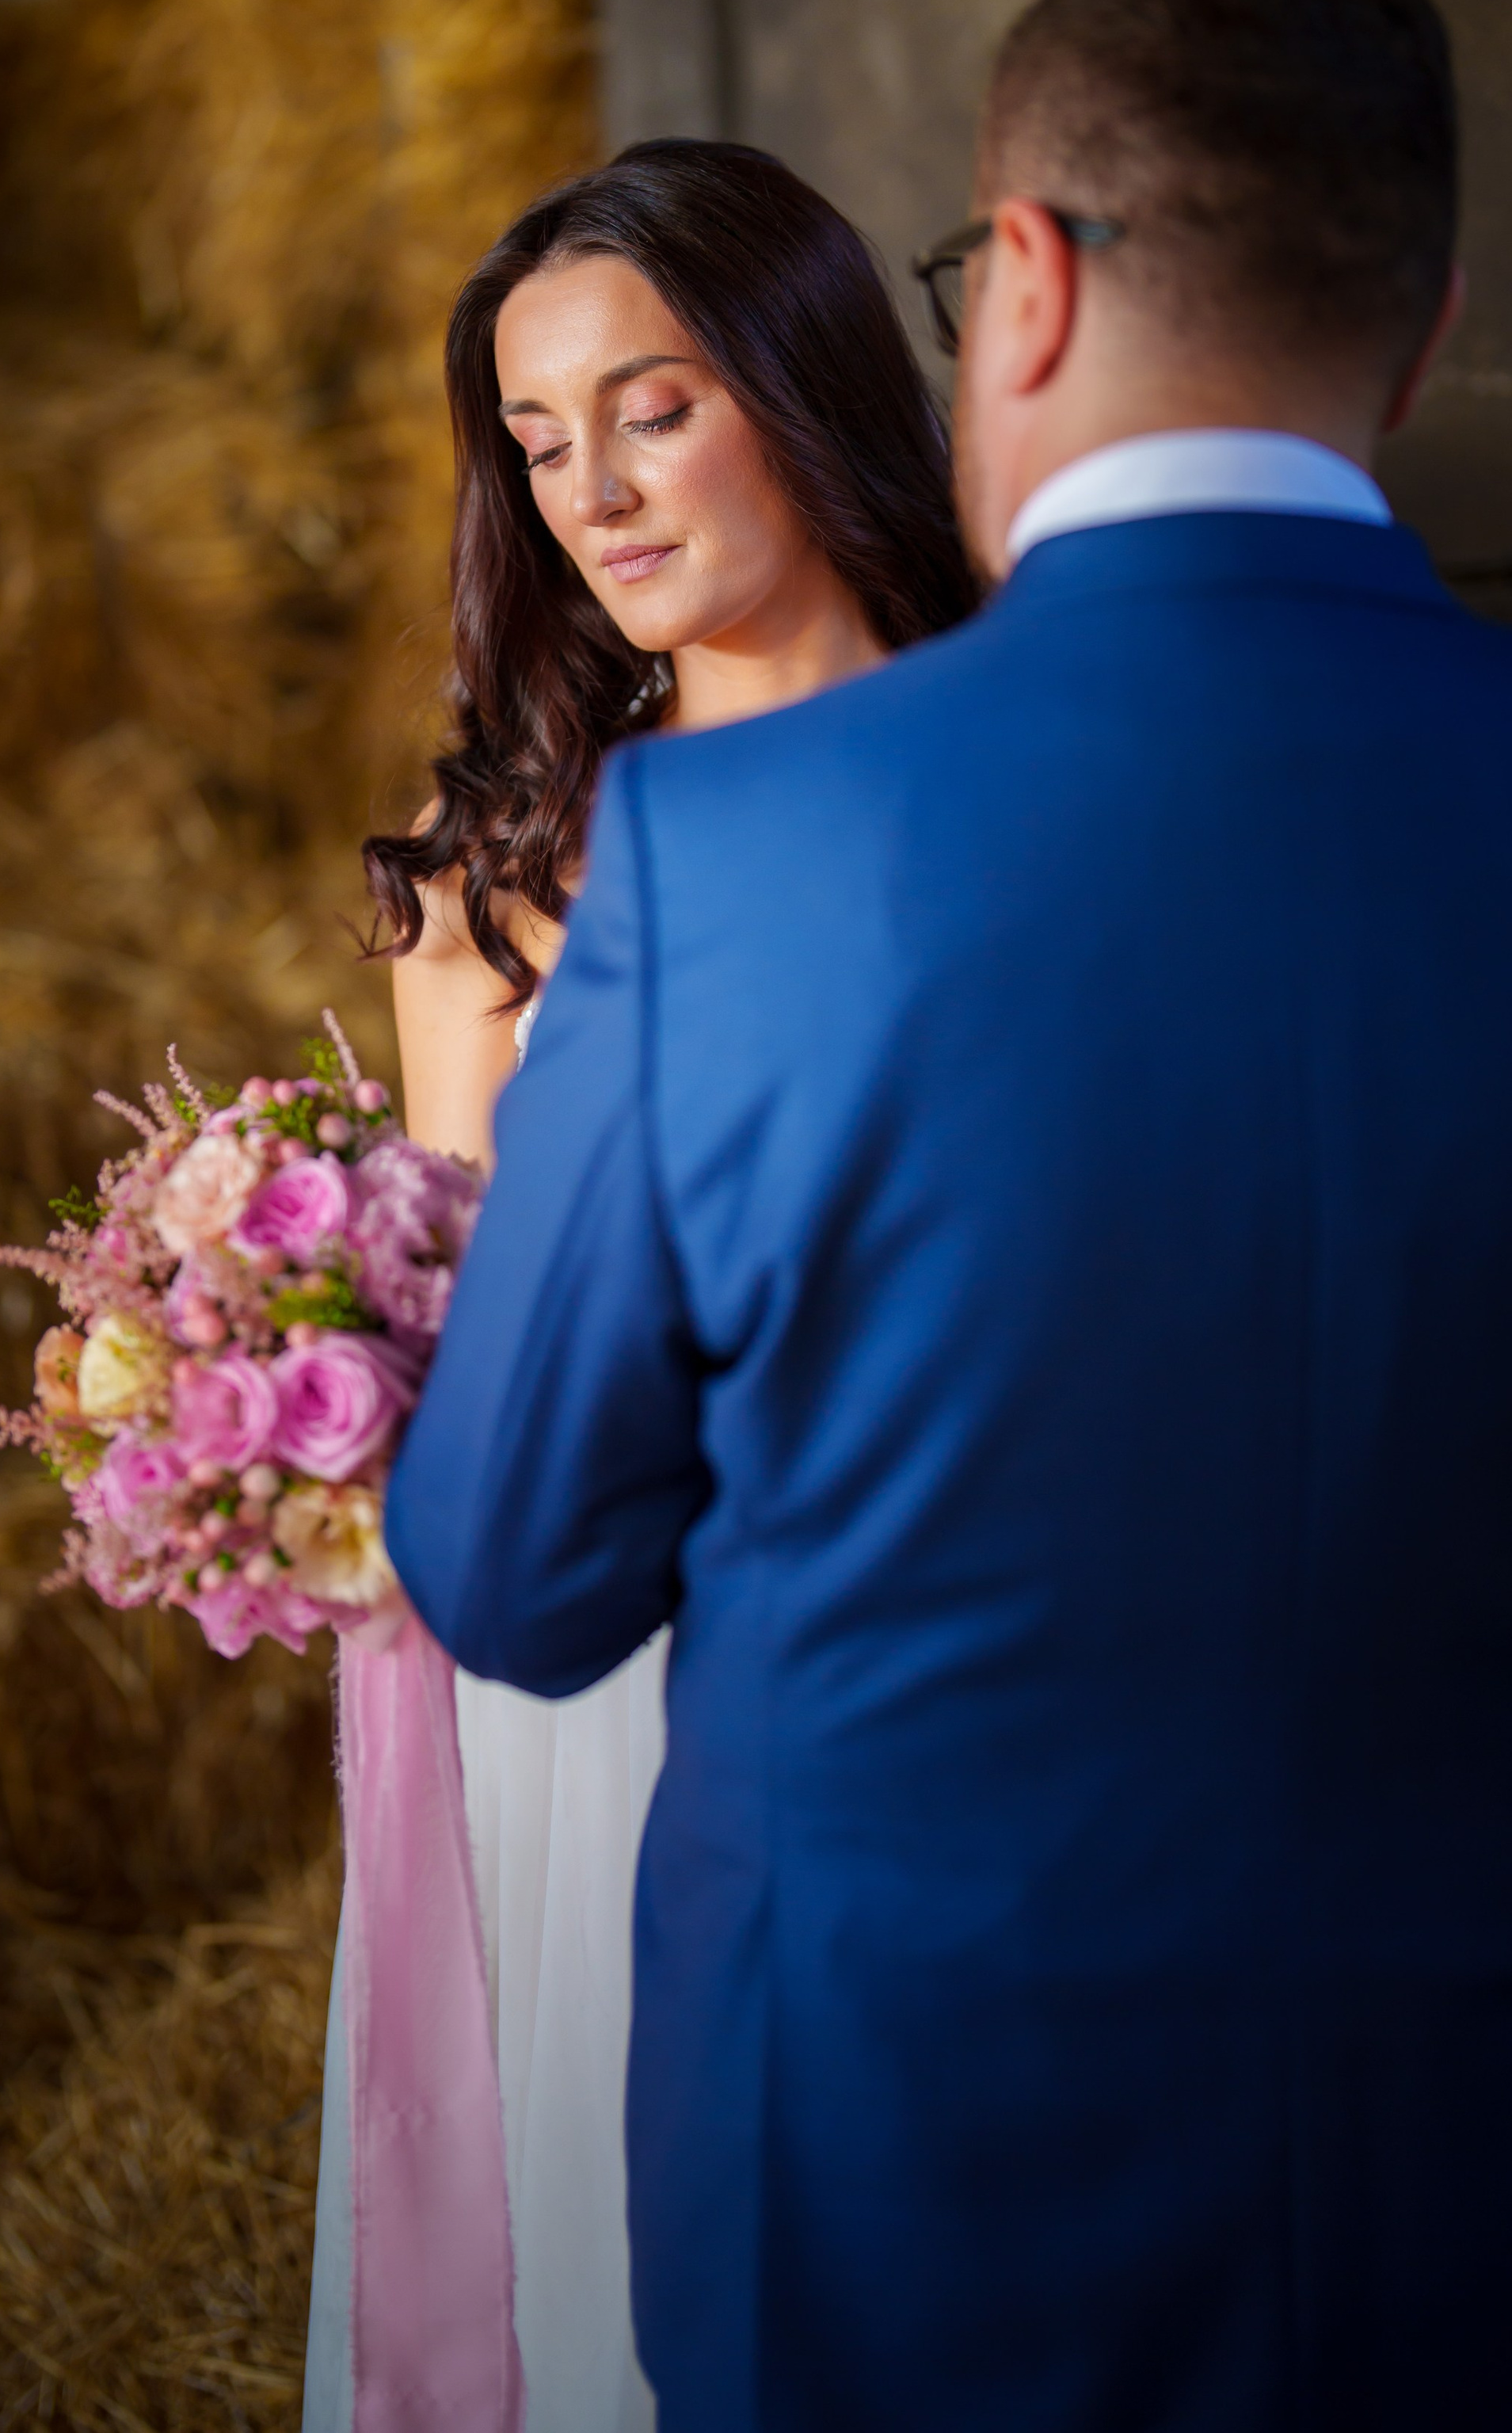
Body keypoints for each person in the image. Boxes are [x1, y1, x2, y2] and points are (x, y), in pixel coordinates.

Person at [386, 0, 1512, 2429]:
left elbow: (508, 1570)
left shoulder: (727, 860)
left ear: (1017, 287)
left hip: (895, 2177)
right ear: (1434, 312)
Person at [302, 137, 971, 2431]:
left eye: (653, 402)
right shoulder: (487, 878)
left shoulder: (1016, 773)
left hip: (953, 1623)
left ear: (804, 377)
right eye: (537, 432)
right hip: (603, 1679)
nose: (590, 483)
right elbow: (492, 1346)